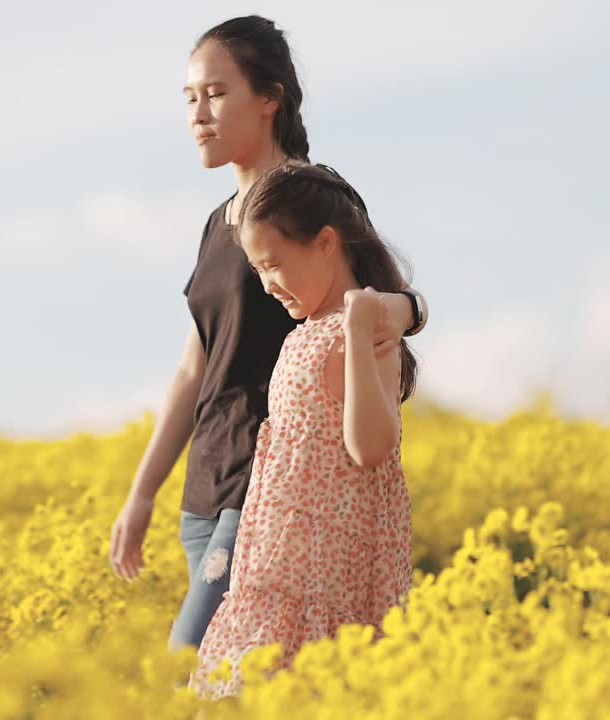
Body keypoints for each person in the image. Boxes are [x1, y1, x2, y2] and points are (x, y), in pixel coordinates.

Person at [107, 15, 429, 654]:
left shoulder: (307, 205)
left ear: (269, 99)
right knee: (239, 670)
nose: (199, 113)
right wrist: (143, 493)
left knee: (194, 666)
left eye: (217, 93)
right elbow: (195, 367)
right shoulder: (217, 225)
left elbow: (370, 296)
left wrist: (408, 310)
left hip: (272, 488)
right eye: (190, 98)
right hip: (207, 488)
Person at [189, 161, 416, 699]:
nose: (267, 285)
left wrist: (361, 331)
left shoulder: (364, 332)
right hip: (274, 570)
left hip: (327, 581)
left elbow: (372, 447)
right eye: (258, 271)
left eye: (274, 265)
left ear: (325, 243)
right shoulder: (304, 334)